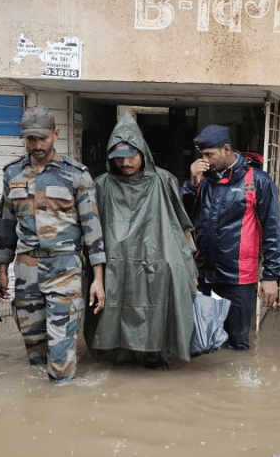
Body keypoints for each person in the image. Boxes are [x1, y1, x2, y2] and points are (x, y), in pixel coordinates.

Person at [0, 106, 106, 381]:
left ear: (55, 134)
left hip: (64, 267)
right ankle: (39, 411)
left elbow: (93, 229)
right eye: (31, 139)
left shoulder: (76, 175)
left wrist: (98, 279)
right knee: (34, 348)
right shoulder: (13, 174)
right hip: (26, 269)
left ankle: (62, 404)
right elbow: (6, 224)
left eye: (42, 138)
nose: (37, 145)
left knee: (61, 350)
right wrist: (2, 271)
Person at [90, 112, 197, 368]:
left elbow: (182, 227)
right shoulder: (101, 185)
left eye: (131, 155)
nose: (125, 162)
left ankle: (155, 358)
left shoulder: (163, 181)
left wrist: (190, 269)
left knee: (156, 322)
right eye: (118, 157)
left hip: (156, 266)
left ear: (143, 153)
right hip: (117, 267)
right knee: (117, 327)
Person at [181, 124, 280, 350]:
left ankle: (233, 382)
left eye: (209, 154)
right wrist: (191, 184)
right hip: (205, 274)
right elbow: (181, 217)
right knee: (202, 341)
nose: (205, 160)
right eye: (202, 155)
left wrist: (270, 276)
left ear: (226, 149)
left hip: (239, 278)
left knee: (237, 344)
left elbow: (273, 230)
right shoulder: (202, 180)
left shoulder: (257, 181)